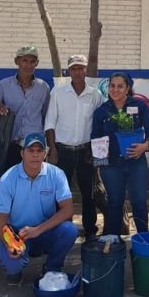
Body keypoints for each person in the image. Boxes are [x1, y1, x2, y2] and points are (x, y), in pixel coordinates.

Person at [0, 133, 79, 285]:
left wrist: (38, 230)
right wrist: (10, 244)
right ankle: (16, 271)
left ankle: (52, 267)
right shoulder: (7, 179)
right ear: (22, 153)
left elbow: (67, 210)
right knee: (13, 265)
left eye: (39, 151)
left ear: (45, 153)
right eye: (30, 150)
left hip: (44, 229)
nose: (35, 155)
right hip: (17, 234)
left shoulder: (56, 174)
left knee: (69, 230)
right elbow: (1, 221)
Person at [44, 55, 103, 240]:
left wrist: (96, 151)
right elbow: (50, 123)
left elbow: (100, 125)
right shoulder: (58, 92)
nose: (77, 72)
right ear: (68, 71)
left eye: (81, 68)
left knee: (89, 193)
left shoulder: (95, 94)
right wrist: (52, 149)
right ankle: (62, 229)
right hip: (62, 151)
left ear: (86, 70)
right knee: (61, 193)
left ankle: (90, 230)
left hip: (86, 151)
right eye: (73, 68)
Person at [91, 72, 149, 235]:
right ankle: (114, 242)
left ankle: (143, 240)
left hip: (136, 162)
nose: (115, 89)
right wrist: (100, 164)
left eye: (120, 86)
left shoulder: (139, 106)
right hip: (111, 166)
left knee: (139, 202)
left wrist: (145, 145)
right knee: (114, 203)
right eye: (112, 86)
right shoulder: (101, 111)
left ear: (127, 88)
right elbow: (96, 138)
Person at [0, 45, 51, 170]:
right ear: (17, 61)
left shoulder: (43, 87)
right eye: (25, 61)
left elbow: (46, 116)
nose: (29, 65)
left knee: (35, 179)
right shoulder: (4, 85)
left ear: (36, 63)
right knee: (11, 180)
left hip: (35, 146)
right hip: (10, 144)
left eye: (32, 61)